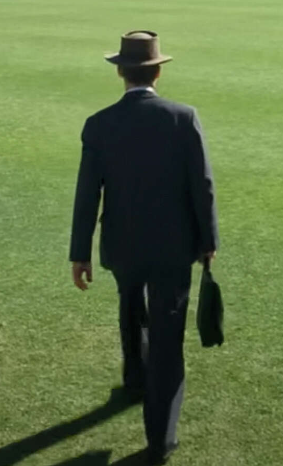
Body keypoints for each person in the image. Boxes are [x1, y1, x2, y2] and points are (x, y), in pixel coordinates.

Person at [69, 31, 219, 465]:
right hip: (174, 246)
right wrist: (208, 241)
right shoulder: (183, 118)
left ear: (121, 72)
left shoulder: (99, 124)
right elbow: (202, 186)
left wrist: (80, 252)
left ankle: (135, 378)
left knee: (130, 305)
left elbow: (87, 195)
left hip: (122, 245)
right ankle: (161, 437)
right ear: (157, 72)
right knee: (168, 336)